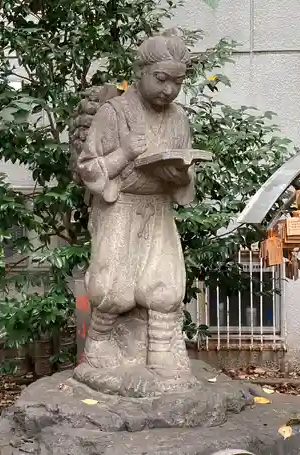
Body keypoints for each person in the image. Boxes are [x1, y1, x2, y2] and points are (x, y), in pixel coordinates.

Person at [74, 31, 195, 380]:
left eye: (177, 82)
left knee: (165, 282)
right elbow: (87, 167)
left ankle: (160, 351)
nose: (169, 90)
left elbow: (187, 174)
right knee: (113, 286)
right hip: (121, 208)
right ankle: (98, 343)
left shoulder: (178, 119)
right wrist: (124, 152)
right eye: (161, 79)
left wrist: (181, 176)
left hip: (158, 208)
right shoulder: (114, 113)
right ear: (141, 71)